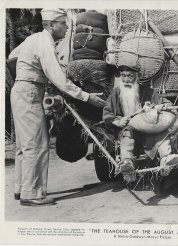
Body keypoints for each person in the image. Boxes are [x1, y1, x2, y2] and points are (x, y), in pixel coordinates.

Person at [10, 9, 106, 206]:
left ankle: (21, 188)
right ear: (50, 24)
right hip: (29, 91)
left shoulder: (33, 39)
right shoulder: (45, 44)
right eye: (63, 23)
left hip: (22, 89)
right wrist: (87, 97)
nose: (67, 27)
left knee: (24, 145)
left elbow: (12, 58)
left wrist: (23, 75)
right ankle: (33, 195)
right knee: (37, 144)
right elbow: (60, 80)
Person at [103, 64, 178, 182]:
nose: (125, 80)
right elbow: (107, 113)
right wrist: (118, 121)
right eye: (123, 76)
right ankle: (127, 162)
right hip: (127, 128)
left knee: (161, 129)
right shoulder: (116, 92)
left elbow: (167, 104)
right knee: (127, 132)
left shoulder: (148, 92)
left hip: (147, 129)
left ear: (137, 77)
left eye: (129, 76)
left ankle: (166, 158)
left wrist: (156, 107)